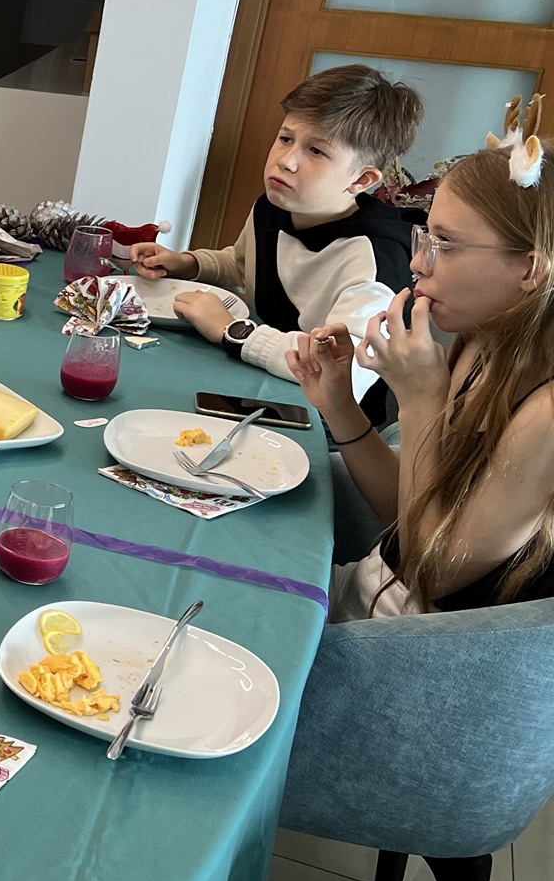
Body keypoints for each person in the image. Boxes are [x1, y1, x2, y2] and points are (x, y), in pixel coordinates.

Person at [289, 101, 554, 621]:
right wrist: (341, 407)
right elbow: (409, 508)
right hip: (367, 589)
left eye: (446, 245)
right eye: (426, 236)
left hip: (407, 647)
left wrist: (420, 400)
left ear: (530, 270)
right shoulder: (480, 342)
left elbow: (430, 570)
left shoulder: (545, 414)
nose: (417, 261)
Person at [129, 64, 423, 425]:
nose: (286, 161)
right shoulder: (273, 206)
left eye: (316, 151)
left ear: (361, 179)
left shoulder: (377, 258)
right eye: (286, 138)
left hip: (328, 427)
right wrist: (188, 264)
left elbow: (345, 371)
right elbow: (242, 264)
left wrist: (234, 332)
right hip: (258, 383)